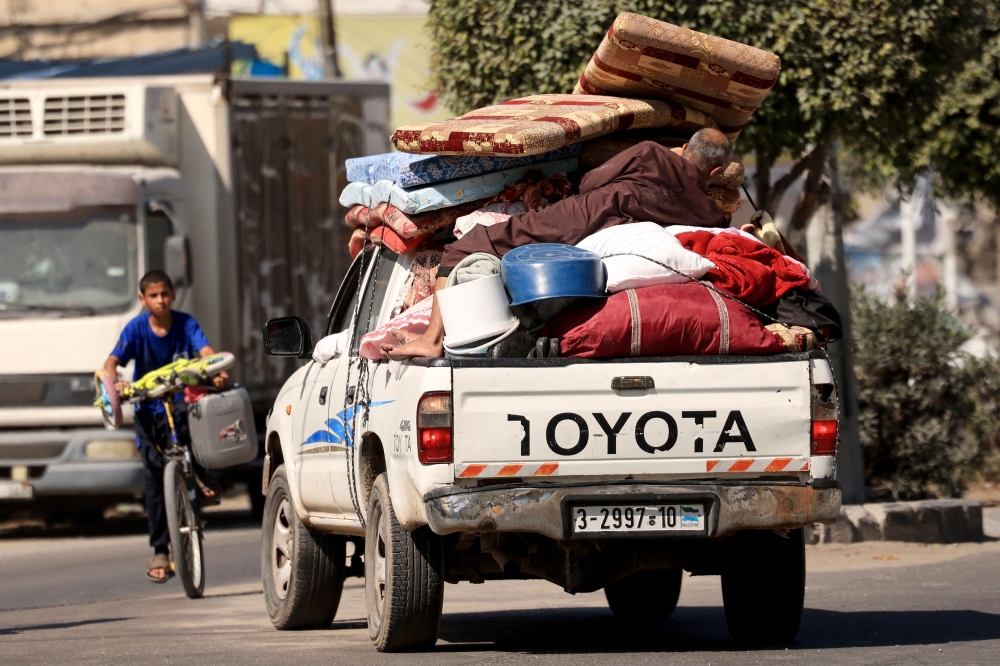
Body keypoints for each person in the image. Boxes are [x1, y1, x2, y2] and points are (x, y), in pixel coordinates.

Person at [386, 128, 735, 360]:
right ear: (716, 174)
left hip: (579, 218)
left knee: (467, 244)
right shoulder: (707, 212)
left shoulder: (651, 153)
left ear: (685, 147)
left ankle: (432, 340)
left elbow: (590, 183)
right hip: (614, 245)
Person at [103, 270, 228, 583]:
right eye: (153, 296)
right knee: (154, 478)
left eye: (165, 294)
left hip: (181, 401)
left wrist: (214, 370)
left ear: (172, 295)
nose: (160, 300)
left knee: (198, 429)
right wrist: (113, 382)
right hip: (148, 409)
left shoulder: (186, 324)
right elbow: (111, 362)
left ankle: (198, 472)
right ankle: (160, 548)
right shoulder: (136, 329)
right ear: (143, 299)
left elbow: (206, 353)